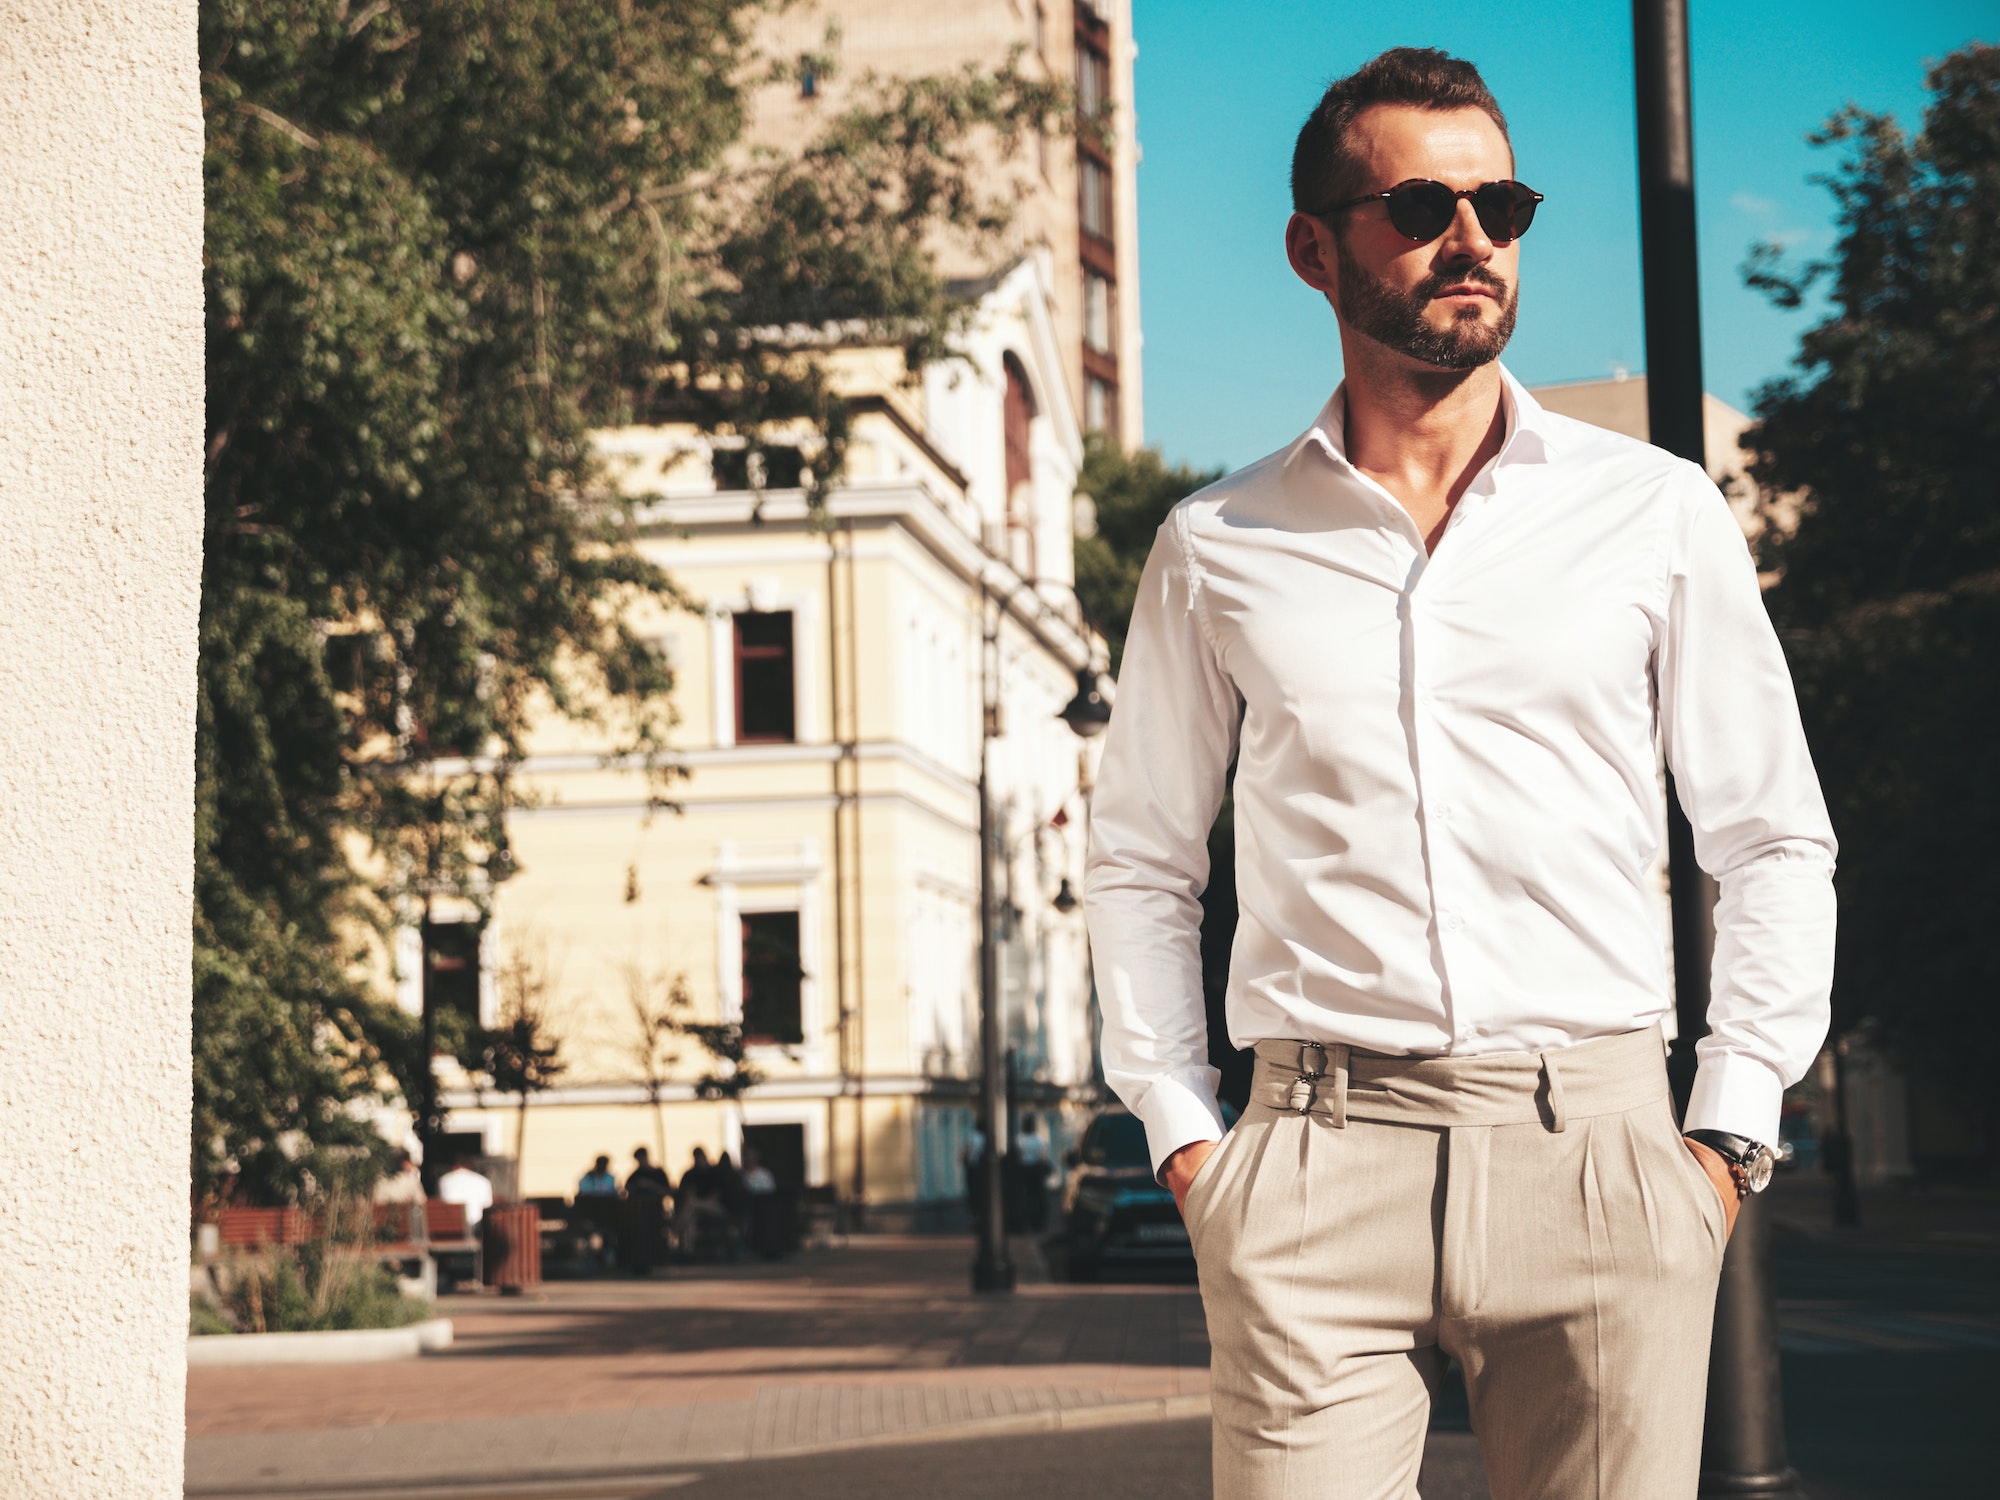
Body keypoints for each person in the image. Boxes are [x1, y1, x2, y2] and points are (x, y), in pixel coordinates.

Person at [1083, 48, 1835, 1500]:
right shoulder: (1217, 543)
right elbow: (1141, 860)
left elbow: (1769, 839)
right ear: (1315, 249)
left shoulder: (1655, 514)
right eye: (1421, 203)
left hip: (1605, 1160)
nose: (1474, 239)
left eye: (1502, 202)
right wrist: (1189, 1140)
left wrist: (1727, 1136)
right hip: (1310, 1164)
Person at [672, 1146, 729, 1258]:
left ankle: (676, 1228)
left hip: (716, 1208)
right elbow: (685, 1193)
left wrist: (697, 1202)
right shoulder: (690, 1174)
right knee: (690, 1220)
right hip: (695, 1210)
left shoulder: (715, 1173)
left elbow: (715, 1197)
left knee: (692, 1204)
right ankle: (688, 1252)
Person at [623, 1147, 672, 1274]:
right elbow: (626, 1190)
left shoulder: (659, 1173)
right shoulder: (635, 1175)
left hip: (655, 1211)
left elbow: (667, 1191)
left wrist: (650, 1186)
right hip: (637, 1213)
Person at [1013, 1113, 1053, 1233]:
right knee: (1039, 1197)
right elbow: (1043, 1157)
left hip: (1024, 1171)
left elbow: (1017, 1157)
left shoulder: (1019, 1140)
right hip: (1036, 1171)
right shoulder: (1039, 1140)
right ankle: (1039, 1223)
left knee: (1025, 1197)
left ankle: (1026, 1223)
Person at [436, 1157, 493, 1231]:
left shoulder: (442, 1180)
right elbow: (488, 1205)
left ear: (454, 1166)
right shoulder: (483, 1181)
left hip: (449, 1228)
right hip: (477, 1227)